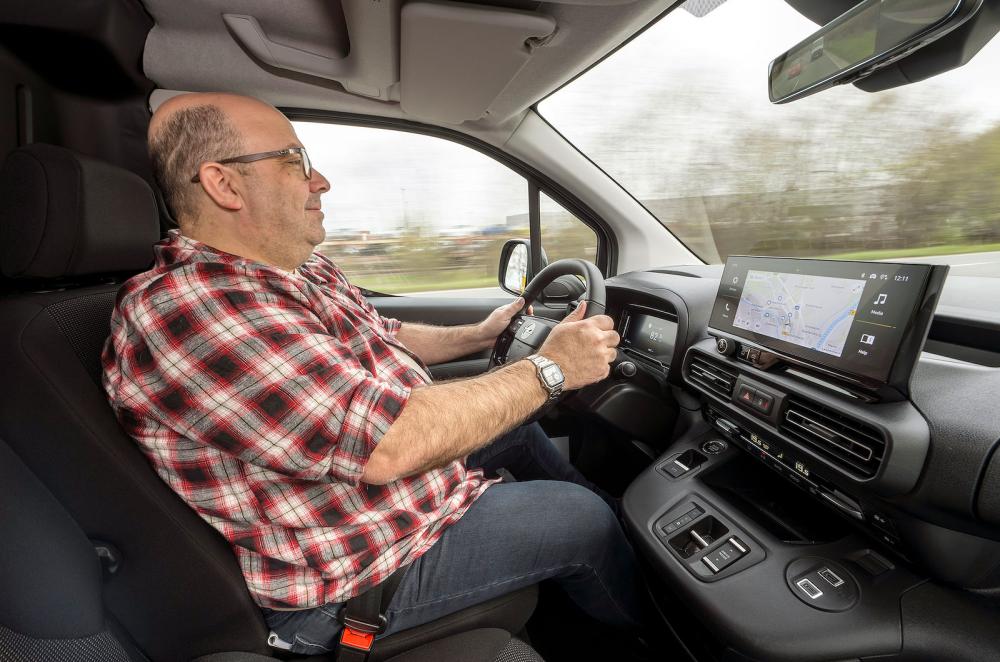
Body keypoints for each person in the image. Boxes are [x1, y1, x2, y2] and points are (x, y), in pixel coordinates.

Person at [102, 92, 645, 655]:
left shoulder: (290, 271)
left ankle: (626, 540)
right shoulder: (192, 309)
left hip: (377, 502)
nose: (321, 182)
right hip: (353, 574)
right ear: (224, 184)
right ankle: (650, 628)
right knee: (577, 518)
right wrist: (551, 369)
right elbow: (387, 446)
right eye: (297, 162)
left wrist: (481, 334)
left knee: (518, 429)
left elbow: (382, 336)